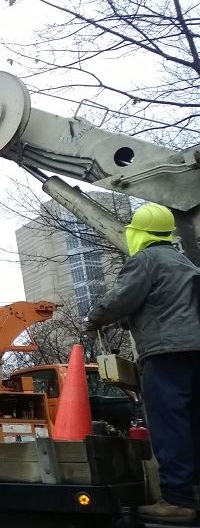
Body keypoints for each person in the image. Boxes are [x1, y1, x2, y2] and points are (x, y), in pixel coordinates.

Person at [84, 203, 200, 524]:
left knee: (169, 424)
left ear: (137, 232)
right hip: (195, 351)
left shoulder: (145, 261)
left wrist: (93, 319)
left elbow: (121, 298)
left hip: (166, 355)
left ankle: (177, 500)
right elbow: (171, 304)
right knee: (193, 422)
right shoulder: (183, 262)